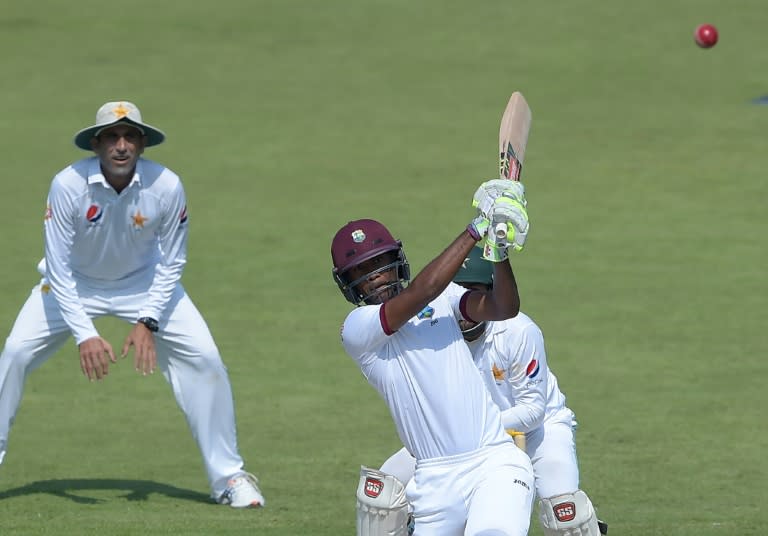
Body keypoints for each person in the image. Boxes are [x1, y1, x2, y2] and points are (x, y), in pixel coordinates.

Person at [0, 101, 264, 508]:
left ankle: (229, 478)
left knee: (206, 359)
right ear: (97, 143)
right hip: (72, 283)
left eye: (130, 137)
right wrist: (85, 333)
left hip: (145, 285)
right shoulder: (68, 184)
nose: (121, 146)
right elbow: (56, 265)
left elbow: (173, 260)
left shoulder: (167, 186)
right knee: (14, 354)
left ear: (142, 143)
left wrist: (148, 320)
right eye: (111, 137)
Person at [331, 179, 535, 536]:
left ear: (397, 261)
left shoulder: (445, 301)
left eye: (381, 263)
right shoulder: (357, 329)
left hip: (493, 463)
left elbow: (504, 307)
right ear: (350, 286)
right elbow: (423, 291)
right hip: (433, 483)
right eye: (363, 273)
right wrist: (476, 227)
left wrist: (498, 251)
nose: (376, 277)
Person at [376, 247, 609, 535]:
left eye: (474, 291)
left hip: (538, 432)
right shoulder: (431, 332)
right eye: (458, 292)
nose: (465, 304)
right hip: (461, 439)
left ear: (489, 291)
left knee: (566, 516)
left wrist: (473, 427)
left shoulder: (519, 331)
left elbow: (534, 411)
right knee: (381, 492)